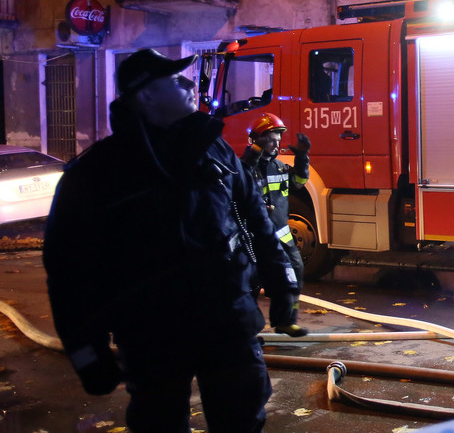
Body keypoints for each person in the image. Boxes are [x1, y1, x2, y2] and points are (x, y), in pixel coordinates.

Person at [43, 49, 299, 432]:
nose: (188, 84)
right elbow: (68, 269)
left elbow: (258, 223)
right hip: (151, 334)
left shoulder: (216, 149)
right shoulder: (97, 171)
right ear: (145, 95)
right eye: (175, 80)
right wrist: (87, 352)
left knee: (242, 419)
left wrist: (284, 287)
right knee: (158, 423)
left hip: (228, 323)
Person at [241, 113, 311, 338]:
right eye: (271, 139)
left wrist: (302, 158)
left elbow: (298, 184)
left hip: (281, 236)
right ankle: (246, 332)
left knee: (293, 274)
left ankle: (284, 322)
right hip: (254, 237)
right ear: (257, 140)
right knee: (251, 283)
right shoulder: (244, 168)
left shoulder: (279, 167)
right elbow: (241, 186)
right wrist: (252, 156)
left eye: (278, 140)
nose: (276, 144)